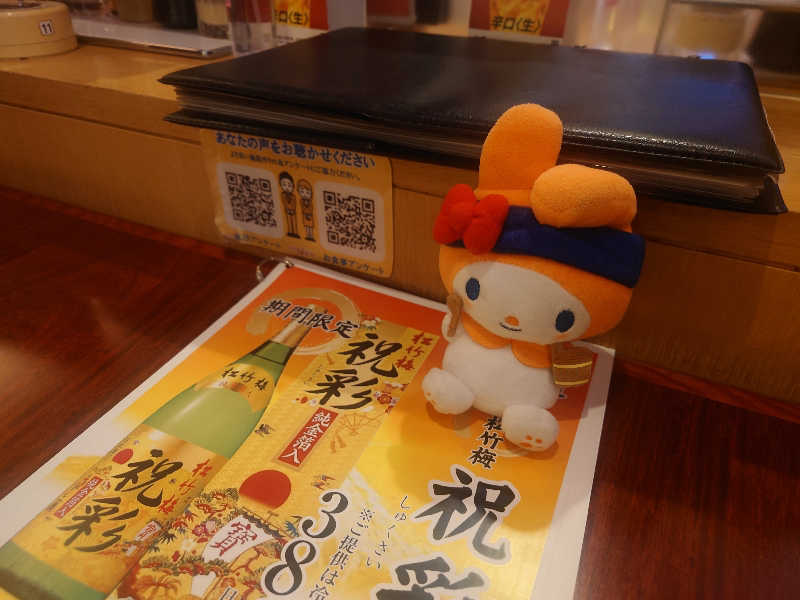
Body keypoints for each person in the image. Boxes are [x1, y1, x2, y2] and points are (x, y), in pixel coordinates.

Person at [279, 171, 299, 238]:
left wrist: (292, 210)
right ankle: (290, 232)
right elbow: (284, 202)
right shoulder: (283, 195)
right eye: (284, 185)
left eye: (289, 185)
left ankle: (295, 233)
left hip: (293, 211)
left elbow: (294, 204)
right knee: (288, 221)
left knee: (294, 221)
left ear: (293, 186)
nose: (287, 188)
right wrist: (287, 209)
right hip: (287, 210)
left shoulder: (293, 196)